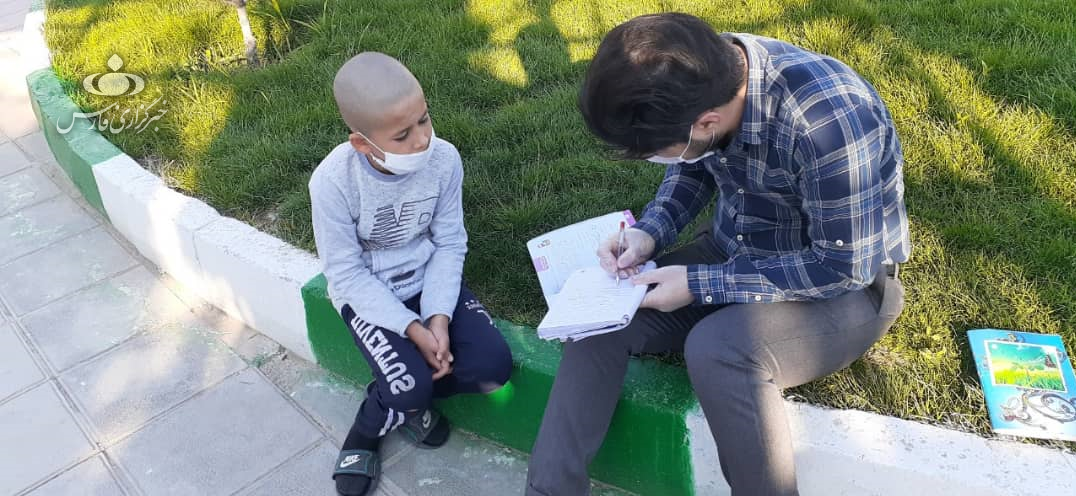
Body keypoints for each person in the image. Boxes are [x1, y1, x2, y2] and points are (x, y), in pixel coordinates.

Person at [526, 13, 911, 496]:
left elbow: (843, 266)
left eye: (657, 152)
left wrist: (699, 284)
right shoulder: (708, 78)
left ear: (707, 122)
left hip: (845, 287)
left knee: (719, 349)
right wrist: (648, 233)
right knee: (598, 319)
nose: (656, 161)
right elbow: (693, 165)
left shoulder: (829, 123)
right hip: (734, 249)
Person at [310, 52, 513, 496]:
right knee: (407, 387)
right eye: (402, 135)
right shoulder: (333, 183)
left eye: (424, 120)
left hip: (427, 279)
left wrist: (437, 317)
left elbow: (450, 242)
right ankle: (371, 424)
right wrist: (411, 329)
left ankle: (409, 398)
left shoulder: (445, 159)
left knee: (493, 367)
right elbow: (345, 274)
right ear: (362, 144)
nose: (422, 140)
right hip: (369, 294)